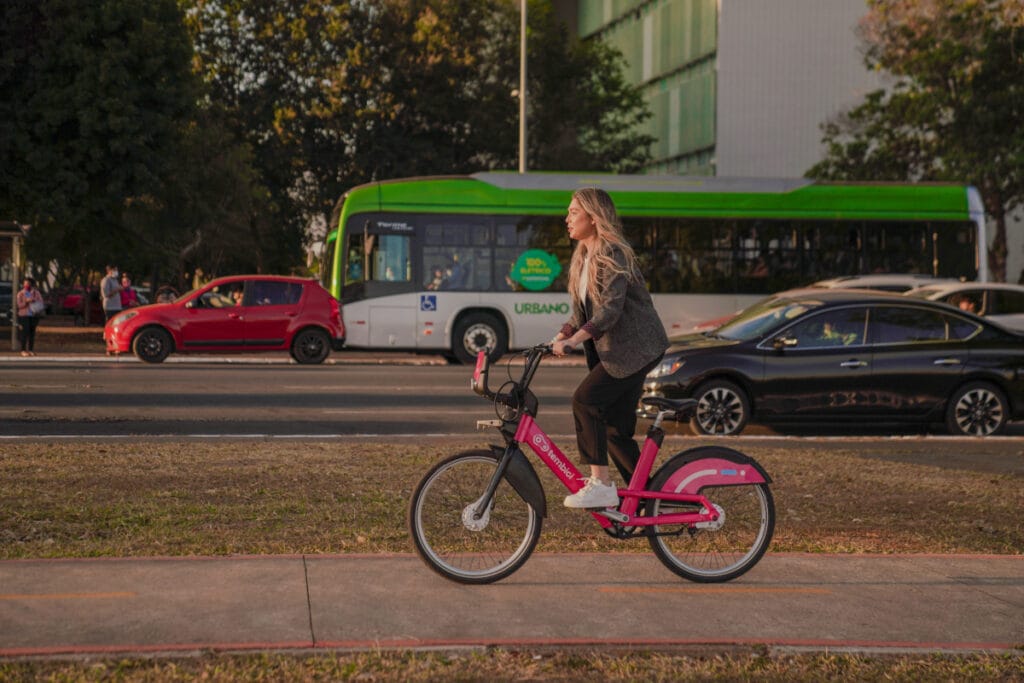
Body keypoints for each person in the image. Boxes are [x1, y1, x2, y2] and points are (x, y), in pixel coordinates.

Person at [551, 188, 669, 509]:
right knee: (615, 429)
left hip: (637, 348)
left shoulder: (613, 253)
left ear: (593, 216)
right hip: (621, 352)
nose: (567, 218)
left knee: (586, 400)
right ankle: (647, 500)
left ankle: (600, 484)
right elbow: (582, 312)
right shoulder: (583, 258)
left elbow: (610, 310)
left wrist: (575, 341)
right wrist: (562, 334)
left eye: (574, 212)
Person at [15, 277, 44, 357]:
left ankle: (31, 350)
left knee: (32, 333)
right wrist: (26, 302)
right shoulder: (20, 293)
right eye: (25, 284)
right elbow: (19, 305)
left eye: (28, 284)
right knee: (25, 332)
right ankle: (23, 350)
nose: (26, 285)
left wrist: (34, 300)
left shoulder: (36, 293)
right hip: (24, 315)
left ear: (31, 284)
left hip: (34, 315)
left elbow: (41, 302)